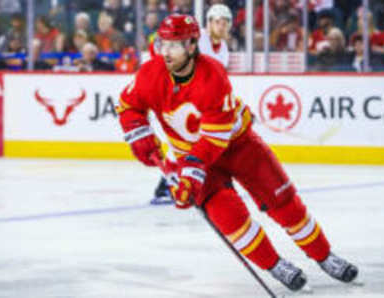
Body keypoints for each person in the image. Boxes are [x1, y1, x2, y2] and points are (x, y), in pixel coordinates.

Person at [115, 14, 359, 291]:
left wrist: (190, 175)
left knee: (285, 203)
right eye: (163, 44)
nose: (166, 51)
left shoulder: (213, 75)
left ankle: (324, 256)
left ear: (192, 45)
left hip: (238, 146)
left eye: (175, 45)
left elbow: (214, 139)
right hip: (193, 157)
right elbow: (128, 107)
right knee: (231, 220)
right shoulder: (149, 74)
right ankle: (275, 265)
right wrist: (142, 138)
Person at [151, 5, 233, 205]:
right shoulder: (196, 39)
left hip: (198, 101)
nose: (222, 26)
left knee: (200, 141)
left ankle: (174, 183)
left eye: (225, 22)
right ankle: (167, 185)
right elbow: (161, 48)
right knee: (186, 141)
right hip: (177, 95)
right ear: (209, 22)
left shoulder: (223, 50)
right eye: (218, 21)